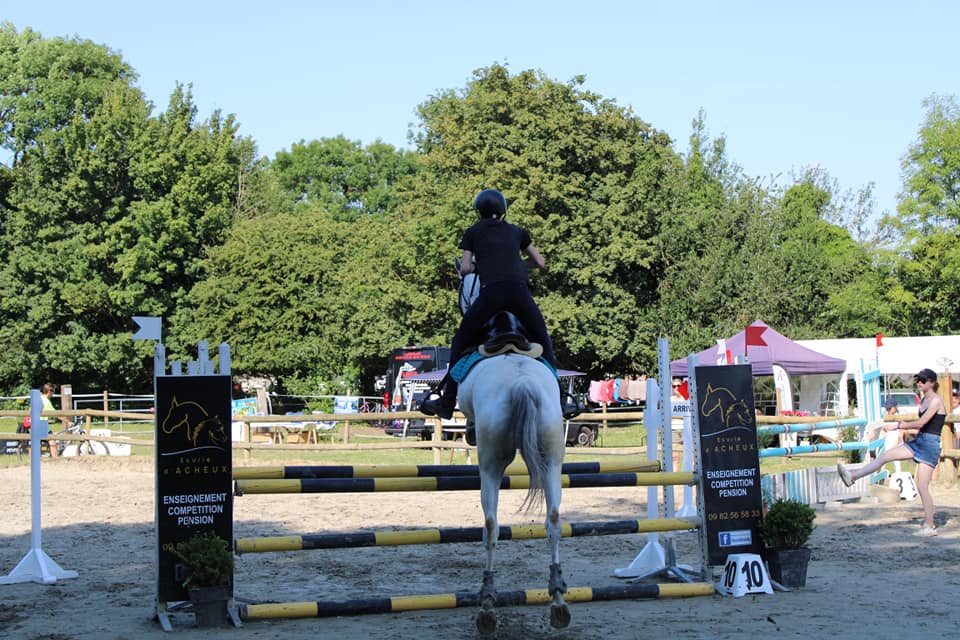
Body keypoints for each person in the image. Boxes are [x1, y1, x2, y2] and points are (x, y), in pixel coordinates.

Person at [421, 189, 573, 421]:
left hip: (492, 295)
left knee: (460, 340)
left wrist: (483, 265)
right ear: (503, 212)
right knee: (544, 340)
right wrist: (515, 263)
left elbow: (464, 269)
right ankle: (562, 400)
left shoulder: (473, 232)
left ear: (479, 212)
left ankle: (447, 401)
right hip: (520, 295)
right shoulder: (517, 231)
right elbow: (539, 262)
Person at [837, 368, 945, 537]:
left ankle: (930, 526)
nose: (919, 383)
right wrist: (899, 426)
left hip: (930, 445)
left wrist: (899, 426)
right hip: (920, 441)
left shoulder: (936, 401)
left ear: (932, 382)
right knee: (885, 456)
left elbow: (922, 422)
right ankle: (853, 477)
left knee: (922, 487)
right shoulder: (924, 400)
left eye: (923, 381)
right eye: (918, 380)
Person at [40, 382, 71, 458]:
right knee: (52, 441)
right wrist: (68, 421)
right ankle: (55, 459)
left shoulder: (40, 398)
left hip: (36, 423)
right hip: (41, 423)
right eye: (53, 391)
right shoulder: (46, 402)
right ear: (49, 391)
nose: (53, 393)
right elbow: (56, 414)